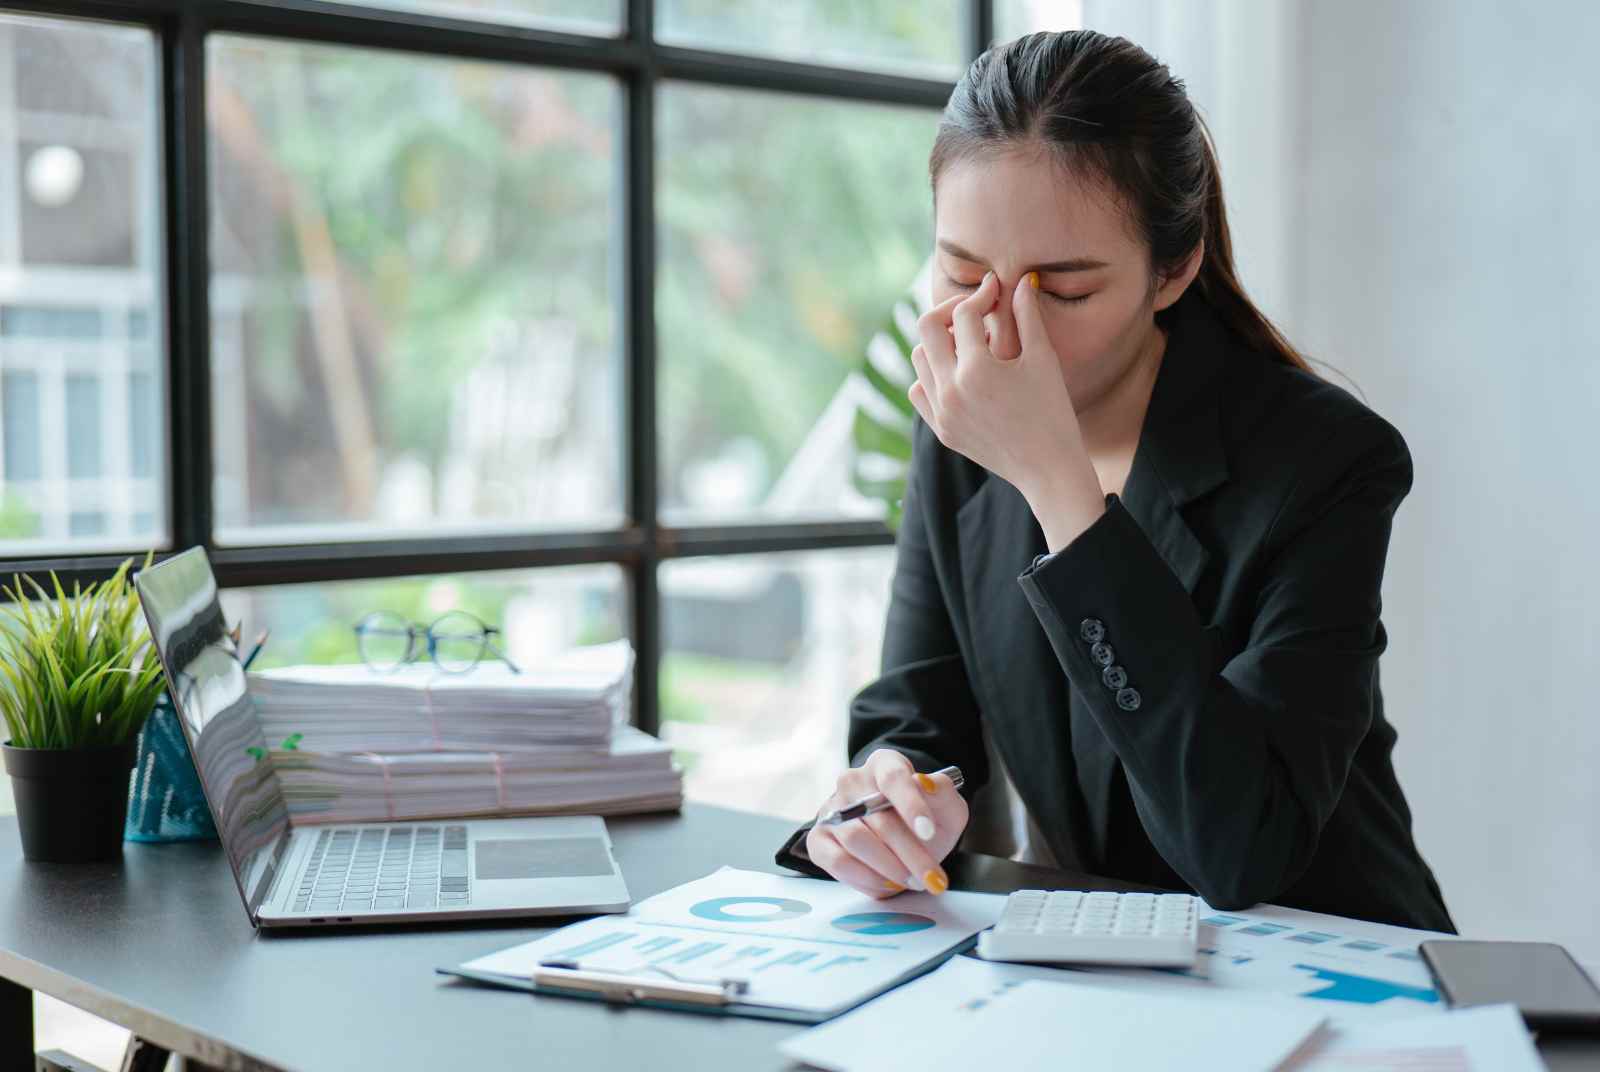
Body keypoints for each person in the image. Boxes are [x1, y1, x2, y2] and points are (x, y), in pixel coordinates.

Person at [772, 29, 1454, 932]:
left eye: (1065, 291)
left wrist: (1060, 486)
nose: (1000, 330)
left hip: (1333, 964)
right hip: (1102, 968)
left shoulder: (1324, 462)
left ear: (1173, 268)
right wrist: (892, 797)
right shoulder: (958, 431)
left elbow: (1240, 849)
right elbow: (917, 713)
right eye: (962, 272)